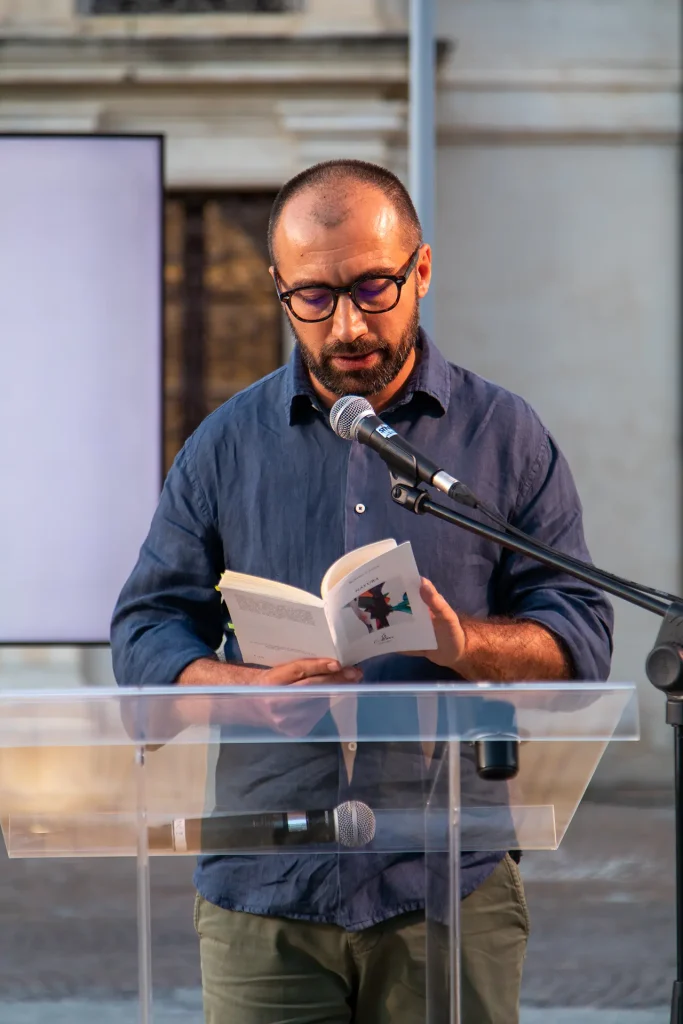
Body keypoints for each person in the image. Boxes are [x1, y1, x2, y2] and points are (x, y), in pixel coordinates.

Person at [111, 158, 613, 1024]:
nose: (346, 324)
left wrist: (464, 647)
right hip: (265, 885)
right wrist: (246, 696)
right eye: (313, 296)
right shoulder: (224, 446)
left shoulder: (504, 437)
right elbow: (146, 631)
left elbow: (578, 638)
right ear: (277, 289)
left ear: (420, 270)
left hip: (445, 888)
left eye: (372, 288)